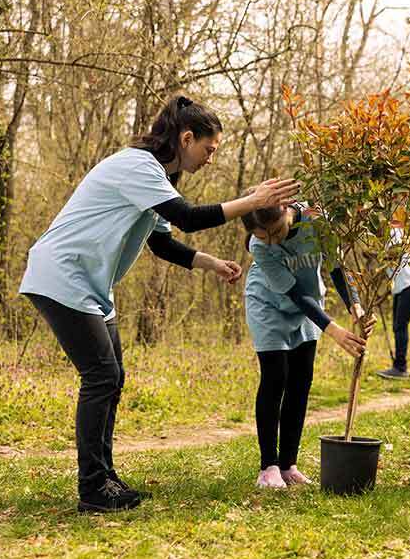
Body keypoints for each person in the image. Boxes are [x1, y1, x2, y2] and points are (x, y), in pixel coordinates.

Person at [19, 95, 299, 512]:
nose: (210, 158)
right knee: (101, 376)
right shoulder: (137, 166)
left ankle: (105, 479)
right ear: (187, 138)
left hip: (91, 285)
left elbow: (162, 241)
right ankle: (92, 489)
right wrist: (253, 202)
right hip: (62, 274)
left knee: (111, 378)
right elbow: (188, 217)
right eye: (209, 149)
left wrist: (210, 263)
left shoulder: (158, 179)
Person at [242, 200, 373, 489]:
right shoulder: (259, 246)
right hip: (268, 304)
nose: (273, 241)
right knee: (276, 378)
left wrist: (355, 305)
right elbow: (294, 292)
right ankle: (268, 467)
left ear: (286, 211)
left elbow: (337, 266)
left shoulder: (317, 222)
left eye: (276, 230)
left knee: (301, 381)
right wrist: (333, 329)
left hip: (310, 306)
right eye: (265, 236)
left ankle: (288, 465)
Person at [377, 226, 410, 379]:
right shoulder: (384, 236)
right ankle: (398, 366)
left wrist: (376, 255)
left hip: (409, 284)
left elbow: (395, 253)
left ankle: (400, 367)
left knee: (400, 326)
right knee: (397, 326)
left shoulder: (394, 231)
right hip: (401, 286)